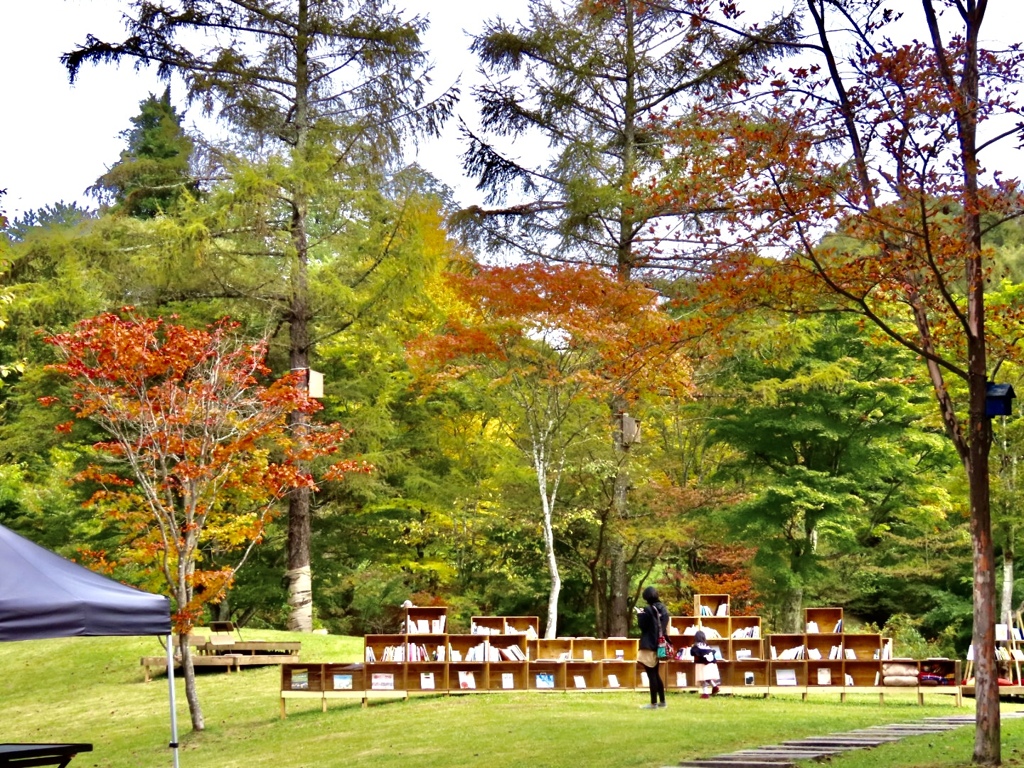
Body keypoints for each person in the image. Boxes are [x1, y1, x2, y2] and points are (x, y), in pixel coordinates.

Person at [635, 585, 670, 709]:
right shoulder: (664, 610)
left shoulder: (649, 610)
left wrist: (640, 615)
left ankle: (653, 703)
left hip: (649, 644)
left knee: (652, 675)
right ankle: (662, 701)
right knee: (656, 673)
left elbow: (643, 627)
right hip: (660, 645)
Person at [689, 629, 721, 698]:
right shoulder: (707, 646)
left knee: (703, 679)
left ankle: (705, 693)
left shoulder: (696, 647)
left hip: (702, 665)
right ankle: (715, 687)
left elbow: (692, 653)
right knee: (707, 677)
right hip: (711, 664)